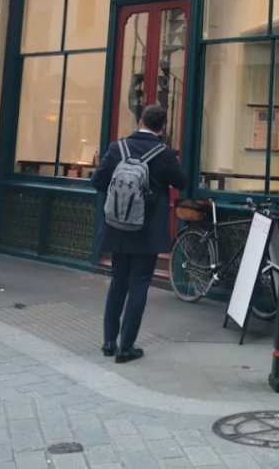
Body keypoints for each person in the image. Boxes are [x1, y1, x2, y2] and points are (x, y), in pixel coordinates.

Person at [91, 104, 187, 364]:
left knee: (118, 281)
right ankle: (126, 346)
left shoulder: (116, 148)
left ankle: (109, 341)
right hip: (147, 230)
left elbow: (97, 181)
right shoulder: (163, 154)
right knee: (139, 284)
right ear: (162, 127)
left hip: (117, 227)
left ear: (140, 120)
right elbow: (182, 182)